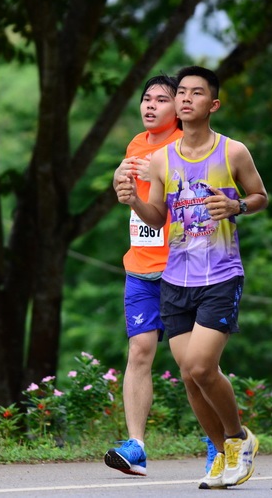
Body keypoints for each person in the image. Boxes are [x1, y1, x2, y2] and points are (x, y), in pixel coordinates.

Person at [114, 65, 268, 489]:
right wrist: (132, 200)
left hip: (220, 273)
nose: (185, 98)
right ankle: (221, 453)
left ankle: (238, 439)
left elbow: (260, 196)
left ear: (212, 104)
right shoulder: (161, 159)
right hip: (175, 278)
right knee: (188, 374)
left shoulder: (233, 151)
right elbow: (156, 216)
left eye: (195, 93)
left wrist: (237, 207)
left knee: (201, 366)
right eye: (180, 92)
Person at [104, 75, 217, 477]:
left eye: (161, 100)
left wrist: (157, 174)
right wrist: (120, 181)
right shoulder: (136, 144)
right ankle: (136, 446)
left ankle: (217, 441)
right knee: (139, 351)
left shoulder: (187, 147)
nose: (150, 106)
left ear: (179, 109)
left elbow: (193, 201)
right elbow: (136, 202)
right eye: (146, 99)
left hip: (180, 268)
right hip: (140, 267)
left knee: (192, 365)